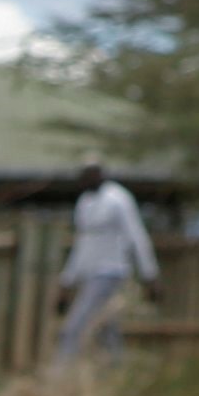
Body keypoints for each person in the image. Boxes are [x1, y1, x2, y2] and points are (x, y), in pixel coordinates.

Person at [53, 158, 155, 383]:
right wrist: (66, 282)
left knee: (73, 328)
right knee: (107, 332)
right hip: (89, 275)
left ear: (100, 174)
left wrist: (150, 274)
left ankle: (57, 380)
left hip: (110, 272)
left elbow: (137, 237)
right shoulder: (85, 203)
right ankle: (120, 380)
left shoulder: (118, 199)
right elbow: (82, 246)